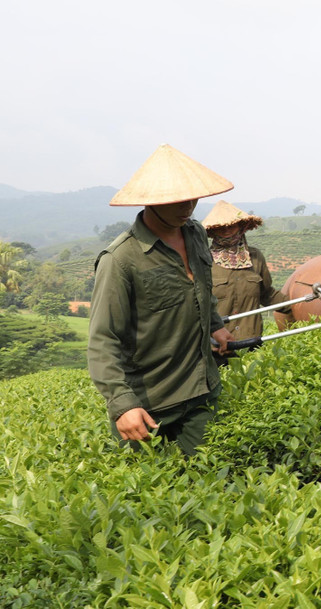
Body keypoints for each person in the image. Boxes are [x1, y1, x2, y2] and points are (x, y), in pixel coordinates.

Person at [87, 144, 235, 456]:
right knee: (145, 486)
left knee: (212, 476)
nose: (189, 206)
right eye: (177, 200)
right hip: (148, 404)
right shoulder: (120, 259)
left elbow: (201, 289)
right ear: (152, 201)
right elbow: (103, 339)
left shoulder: (195, 233)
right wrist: (122, 405)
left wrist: (216, 325)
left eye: (193, 197)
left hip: (202, 390)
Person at [201, 200, 289, 344]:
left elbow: (267, 294)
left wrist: (299, 306)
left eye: (231, 225)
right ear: (212, 231)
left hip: (251, 342)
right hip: (217, 345)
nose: (226, 230)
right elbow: (197, 305)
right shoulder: (204, 261)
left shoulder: (255, 257)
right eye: (220, 227)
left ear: (241, 226)